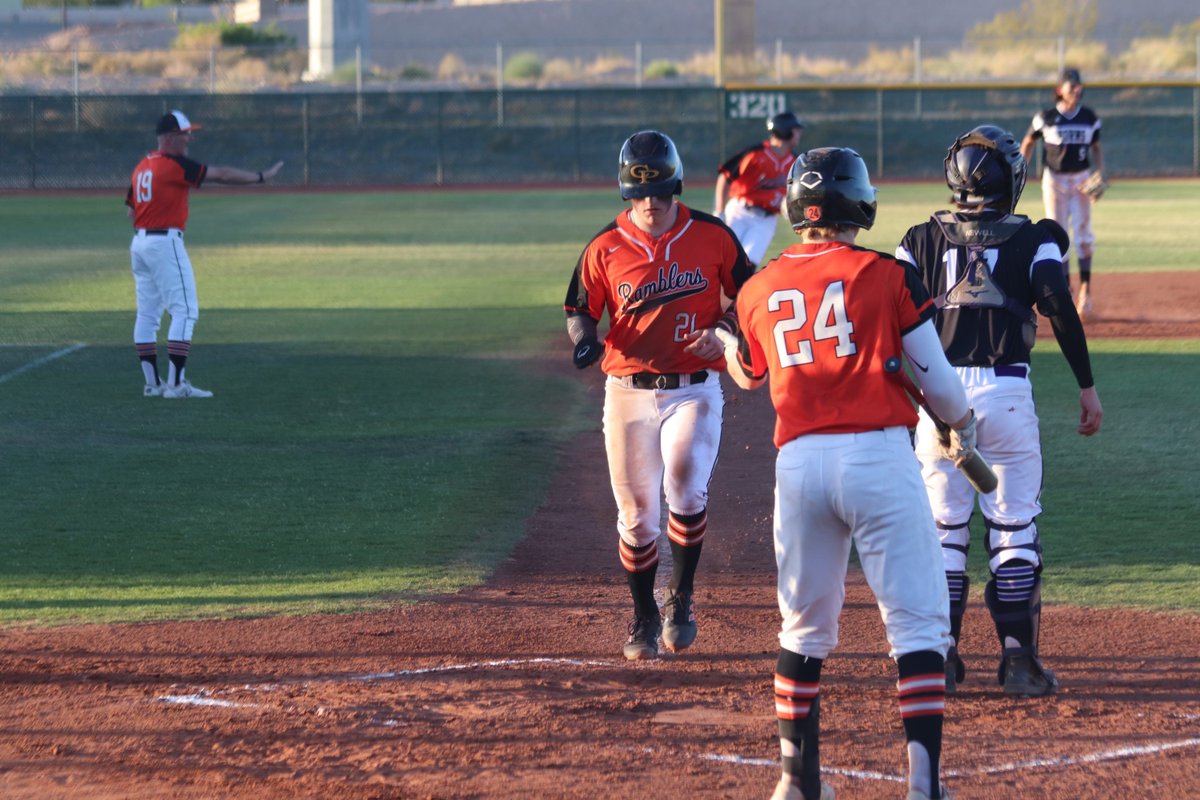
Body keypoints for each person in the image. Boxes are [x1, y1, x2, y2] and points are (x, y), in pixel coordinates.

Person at [718, 146, 968, 800]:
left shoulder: (758, 286)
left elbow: (749, 373)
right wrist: (959, 420)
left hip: (799, 464)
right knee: (917, 625)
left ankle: (796, 783)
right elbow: (942, 390)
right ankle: (924, 786)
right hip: (878, 457)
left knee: (802, 628)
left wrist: (726, 345)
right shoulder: (887, 275)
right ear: (860, 203)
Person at [897, 125, 1104, 699]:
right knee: (1013, 529)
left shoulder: (917, 239)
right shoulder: (1036, 237)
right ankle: (1018, 662)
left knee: (944, 533)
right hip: (1007, 391)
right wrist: (1086, 386)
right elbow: (1058, 305)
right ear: (1011, 180)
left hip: (939, 400)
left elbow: (890, 317)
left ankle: (939, 658)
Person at [564, 130, 753, 661]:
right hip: (627, 391)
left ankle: (682, 596)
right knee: (637, 517)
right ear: (626, 191)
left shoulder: (712, 235)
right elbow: (579, 308)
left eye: (660, 192)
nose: (651, 203)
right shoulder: (605, 246)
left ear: (676, 186)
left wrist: (724, 330)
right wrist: (584, 340)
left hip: (694, 388)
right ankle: (645, 612)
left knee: (686, 488)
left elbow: (750, 293)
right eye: (640, 193)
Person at [125, 109, 283, 398]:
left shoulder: (142, 166)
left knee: (147, 315)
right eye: (186, 134)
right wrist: (261, 177)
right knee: (185, 311)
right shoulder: (173, 164)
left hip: (140, 243)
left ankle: (152, 384)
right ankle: (175, 386)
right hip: (164, 242)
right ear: (170, 137)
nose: (190, 138)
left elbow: (131, 211)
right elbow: (221, 174)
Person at [1020, 68, 1104, 318]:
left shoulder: (1089, 117)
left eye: (1079, 86)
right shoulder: (1046, 117)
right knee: (1058, 233)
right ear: (1059, 90)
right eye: (1072, 86)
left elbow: (1096, 147)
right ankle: (1066, 288)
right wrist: (1021, 169)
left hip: (1081, 180)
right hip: (1054, 180)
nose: (1077, 90)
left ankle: (1086, 291)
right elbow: (1028, 141)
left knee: (1084, 234)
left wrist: (1100, 173)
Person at [713, 111, 806, 269]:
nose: (799, 134)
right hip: (739, 212)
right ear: (786, 131)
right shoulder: (755, 153)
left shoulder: (796, 162)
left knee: (748, 267)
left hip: (766, 220)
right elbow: (725, 176)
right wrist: (719, 212)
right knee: (724, 261)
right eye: (796, 130)